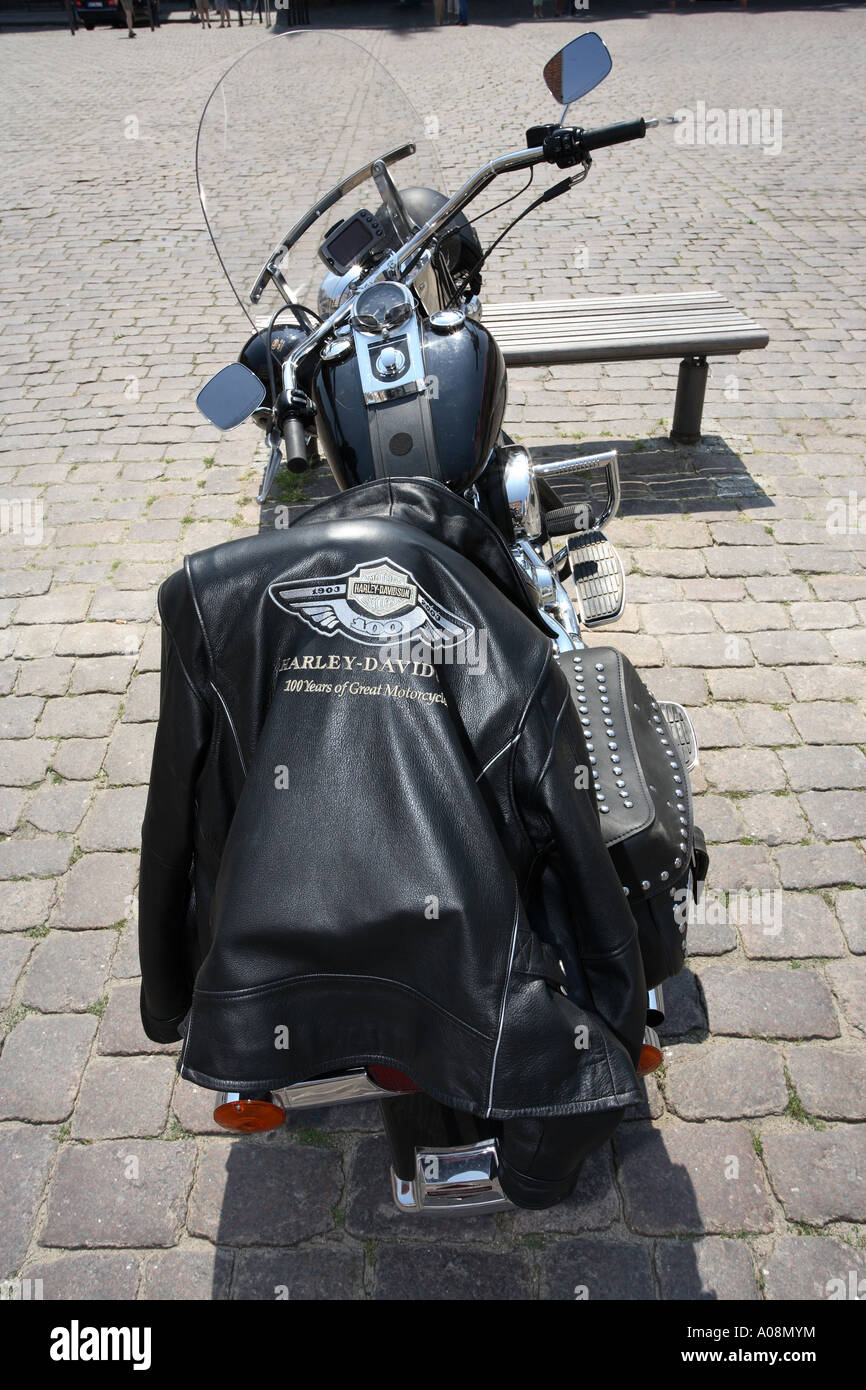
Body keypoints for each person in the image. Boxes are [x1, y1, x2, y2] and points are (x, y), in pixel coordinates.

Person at [139, 475, 647, 1209]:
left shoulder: (206, 596)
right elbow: (577, 858)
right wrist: (610, 1026)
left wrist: (168, 1001)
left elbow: (171, 820)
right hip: (470, 977)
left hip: (262, 960)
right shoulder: (517, 649)